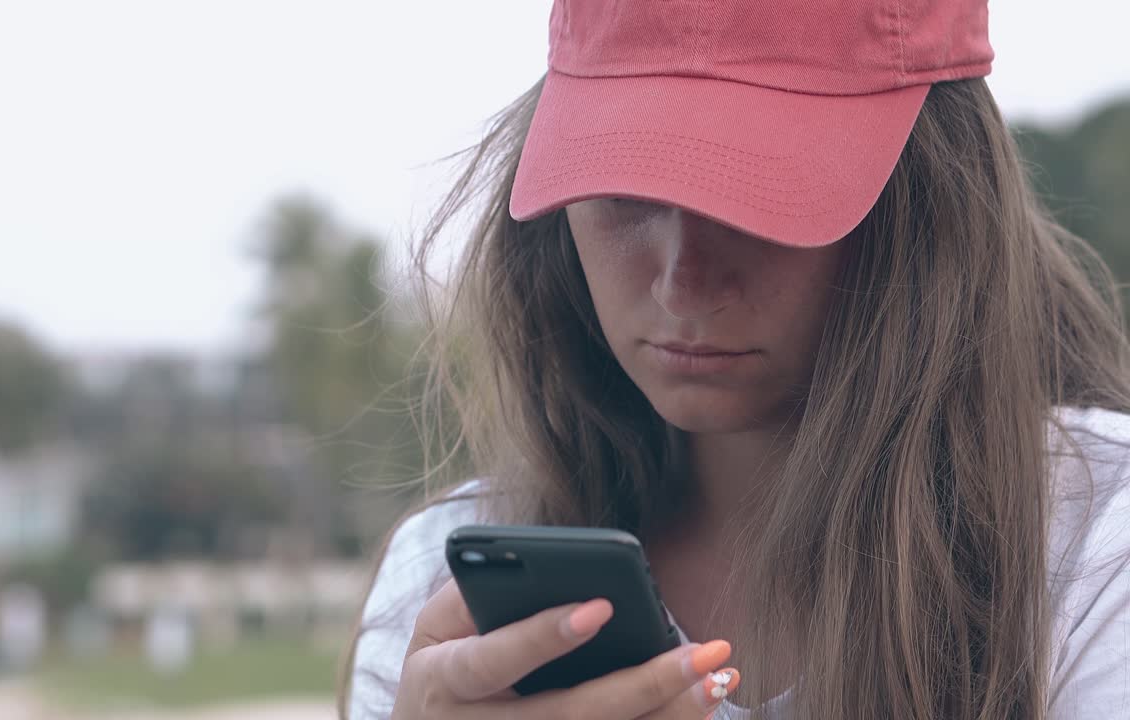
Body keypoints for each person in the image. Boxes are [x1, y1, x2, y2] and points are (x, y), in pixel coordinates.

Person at [340, 1, 1130, 718]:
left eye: (762, 195)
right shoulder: (440, 590)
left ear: (927, 203)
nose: (685, 284)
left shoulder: (1097, 556)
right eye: (627, 189)